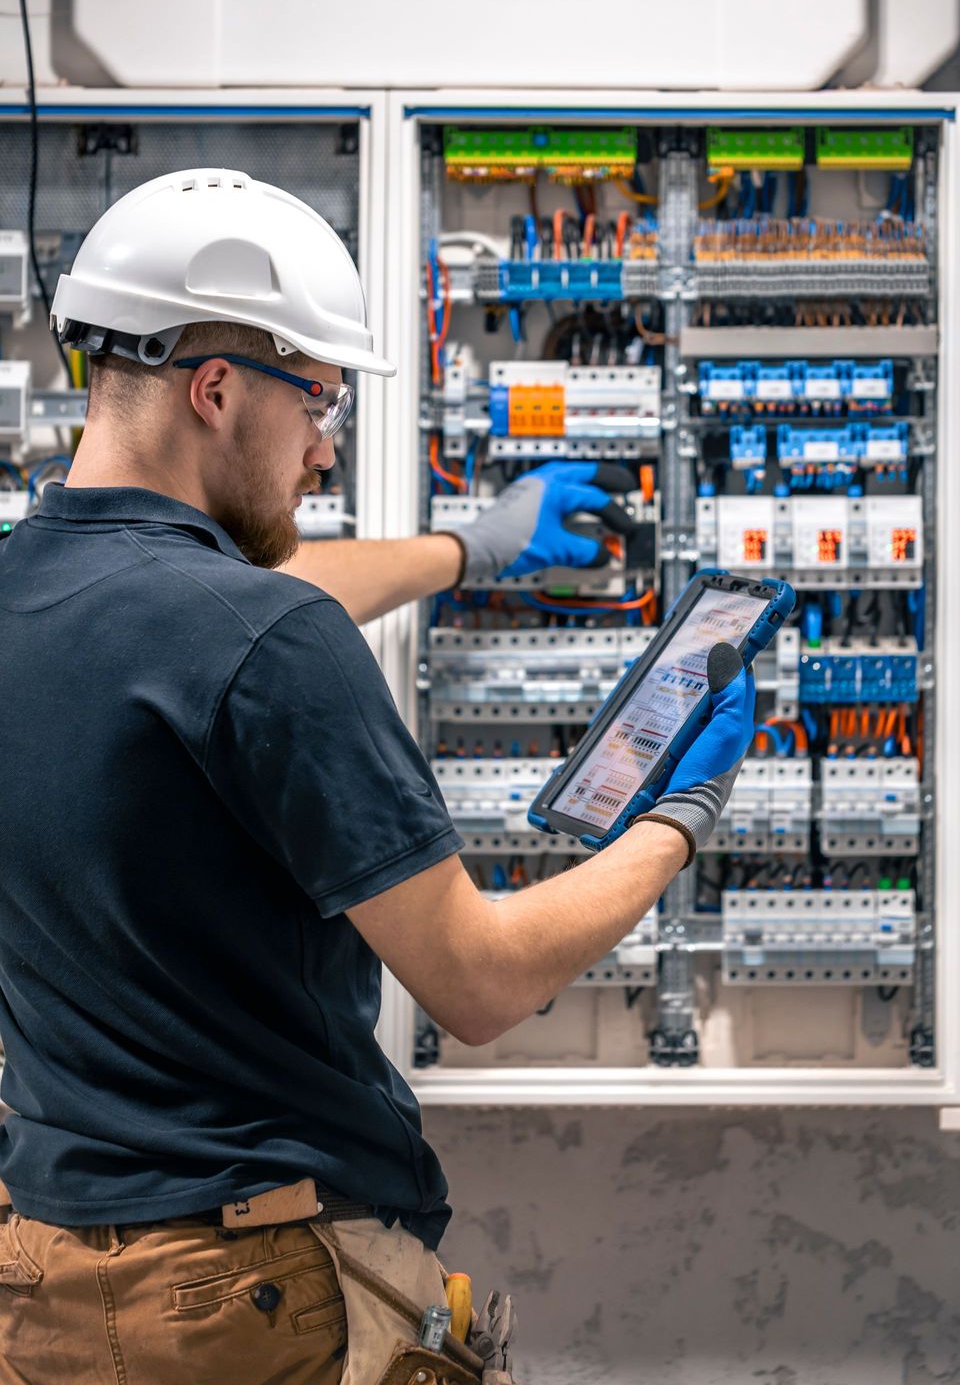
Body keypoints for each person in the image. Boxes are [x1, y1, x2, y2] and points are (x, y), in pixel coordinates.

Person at [0, 169, 754, 1385]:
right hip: (245, 1296)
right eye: (320, 403)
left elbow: (221, 621)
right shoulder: (263, 644)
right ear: (215, 389)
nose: (322, 447)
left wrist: (474, 545)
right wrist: (680, 813)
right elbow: (482, 983)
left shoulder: (34, 590)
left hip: (44, 1281)